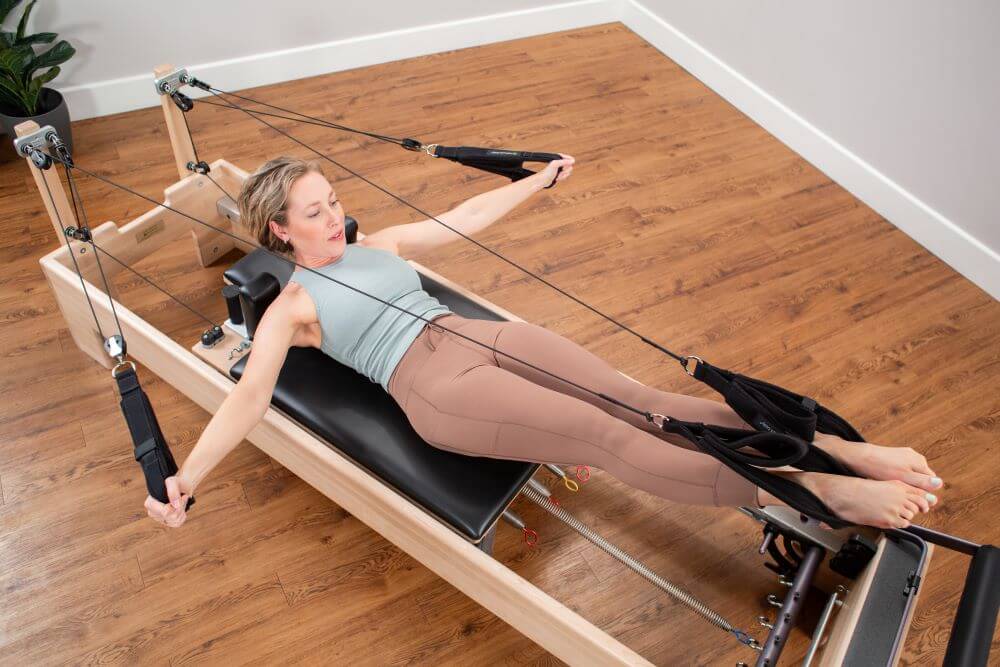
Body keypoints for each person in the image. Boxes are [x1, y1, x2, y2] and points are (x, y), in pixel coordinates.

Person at [146, 156, 943, 530]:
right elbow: (248, 395)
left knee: (642, 400)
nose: (335, 214)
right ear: (279, 230)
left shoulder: (376, 242)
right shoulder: (292, 307)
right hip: (436, 391)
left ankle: (835, 453)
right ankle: (815, 491)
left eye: (332, 199)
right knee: (602, 434)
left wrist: (534, 180)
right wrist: (185, 476)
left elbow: (465, 219)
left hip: (481, 337)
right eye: (315, 212)